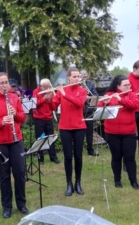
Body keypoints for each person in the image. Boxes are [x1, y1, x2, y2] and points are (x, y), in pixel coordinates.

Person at [0, 73, 29, 218]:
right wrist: (1, 122)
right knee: (4, 176)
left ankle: (21, 204)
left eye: (6, 82)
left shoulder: (14, 97)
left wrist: (16, 114)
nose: (4, 85)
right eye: (1, 83)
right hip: (0, 142)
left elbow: (23, 118)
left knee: (20, 173)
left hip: (16, 141)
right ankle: (7, 207)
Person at [97, 75, 139, 189]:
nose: (128, 87)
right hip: (112, 132)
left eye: (129, 84)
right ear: (118, 86)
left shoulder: (132, 95)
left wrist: (121, 99)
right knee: (116, 157)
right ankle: (117, 180)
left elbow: (135, 105)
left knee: (130, 157)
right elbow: (99, 109)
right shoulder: (109, 95)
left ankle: (133, 181)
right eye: (125, 85)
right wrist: (105, 103)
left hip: (129, 132)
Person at [52, 68, 88, 196]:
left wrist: (65, 95)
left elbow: (79, 103)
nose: (77, 79)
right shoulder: (62, 91)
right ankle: (69, 184)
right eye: (74, 76)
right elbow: (53, 106)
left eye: (78, 76)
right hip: (65, 127)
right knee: (68, 157)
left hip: (79, 126)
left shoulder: (82, 91)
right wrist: (49, 96)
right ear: (68, 77)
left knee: (78, 156)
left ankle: (78, 183)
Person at [32, 78, 59, 164]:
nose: (46, 88)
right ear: (40, 86)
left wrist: (50, 100)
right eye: (44, 86)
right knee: (40, 138)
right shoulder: (35, 92)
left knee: (50, 138)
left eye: (47, 86)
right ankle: (41, 158)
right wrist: (43, 99)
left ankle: (53, 157)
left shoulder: (50, 91)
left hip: (48, 118)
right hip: (39, 118)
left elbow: (53, 107)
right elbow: (33, 104)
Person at [81, 70, 99, 156]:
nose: (84, 76)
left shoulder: (90, 84)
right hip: (79, 111)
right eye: (82, 75)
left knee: (89, 132)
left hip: (88, 110)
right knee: (79, 132)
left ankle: (90, 149)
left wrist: (89, 97)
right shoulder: (77, 85)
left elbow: (95, 95)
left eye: (85, 75)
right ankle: (78, 149)